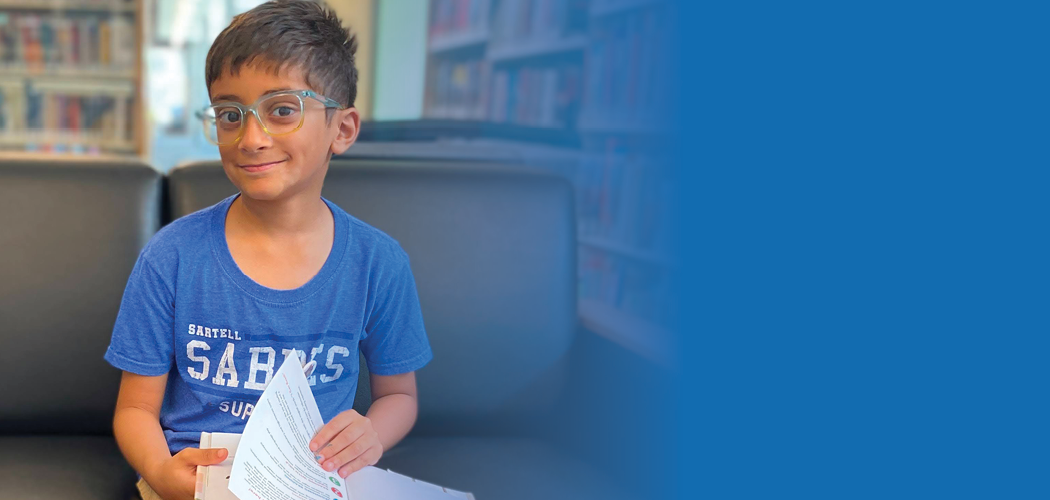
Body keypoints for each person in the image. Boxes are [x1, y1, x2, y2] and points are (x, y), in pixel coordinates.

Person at [104, 2, 432, 499]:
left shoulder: (378, 263)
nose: (250, 138)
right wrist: (160, 470)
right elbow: (134, 410)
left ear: (341, 129)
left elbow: (399, 396)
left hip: (313, 479)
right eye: (230, 114)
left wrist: (371, 433)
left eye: (282, 110)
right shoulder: (170, 256)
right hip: (196, 478)